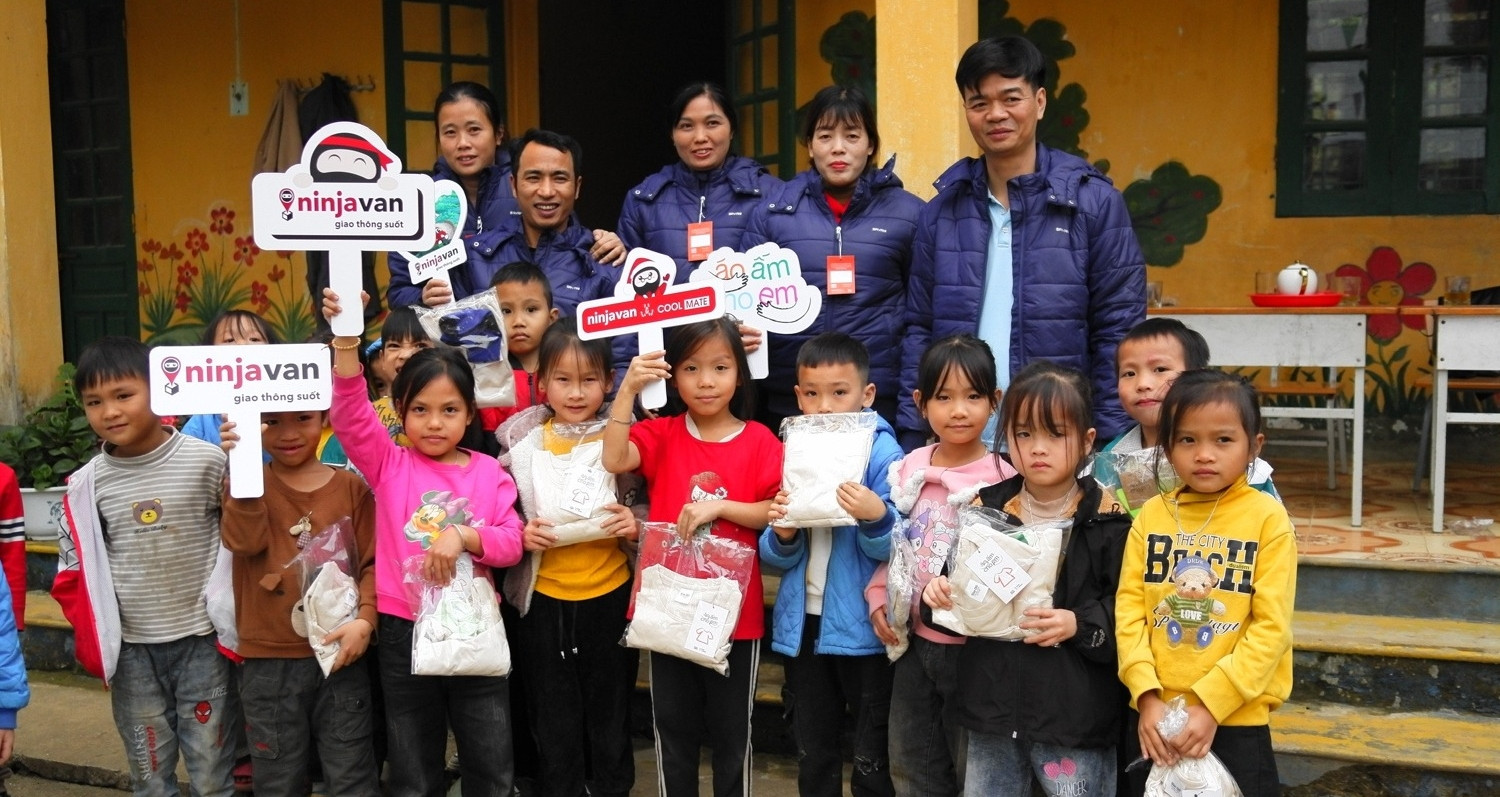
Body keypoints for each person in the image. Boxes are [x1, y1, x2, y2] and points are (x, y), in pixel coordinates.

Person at [901, 35, 1145, 450]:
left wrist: (1109, 436)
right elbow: (919, 329)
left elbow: (1118, 329)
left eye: (1010, 98)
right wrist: (913, 429)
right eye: (979, 103)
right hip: (963, 440)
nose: (996, 114)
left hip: (1056, 434)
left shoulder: (1092, 202)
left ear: (1040, 101)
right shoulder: (941, 212)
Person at [325, 295, 526, 797]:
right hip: (402, 628)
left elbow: (512, 544)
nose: (434, 422)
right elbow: (349, 414)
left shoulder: (489, 472)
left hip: (474, 625)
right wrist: (347, 340)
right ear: (399, 411)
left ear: (469, 413)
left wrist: (463, 535)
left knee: (490, 760)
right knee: (413, 766)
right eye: (420, 410)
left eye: (449, 410)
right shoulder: (389, 464)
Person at [922, 361, 1129, 797]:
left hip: (1074, 715)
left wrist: (1079, 623)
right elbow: (953, 588)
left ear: (1088, 440)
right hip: (992, 708)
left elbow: (1129, 609)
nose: (1038, 448)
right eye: (1024, 434)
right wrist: (935, 594)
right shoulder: (987, 508)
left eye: (1056, 434)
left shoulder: (1107, 519)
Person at [601, 316, 782, 797]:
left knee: (732, 736)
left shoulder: (762, 440)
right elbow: (615, 460)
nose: (705, 381)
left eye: (720, 367)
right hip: (668, 612)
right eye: (691, 368)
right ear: (672, 375)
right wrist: (627, 391)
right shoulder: (661, 433)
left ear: (739, 374)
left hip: (734, 617)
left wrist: (720, 506)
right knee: (674, 734)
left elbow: (776, 511)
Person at [51, 336, 238, 796]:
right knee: (148, 772)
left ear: (162, 393)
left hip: (202, 641)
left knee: (212, 770)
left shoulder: (208, 461)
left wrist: (241, 466)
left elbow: (242, 534)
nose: (109, 411)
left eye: (123, 395)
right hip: (132, 650)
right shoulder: (85, 485)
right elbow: (77, 568)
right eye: (94, 402)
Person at [1116, 370, 1296, 797]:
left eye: (1223, 440)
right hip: (1153, 720)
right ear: (1167, 446)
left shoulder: (1268, 520)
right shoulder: (1151, 518)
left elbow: (1271, 628)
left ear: (1254, 446)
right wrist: (1145, 695)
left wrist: (1213, 704)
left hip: (1235, 721)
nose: (1204, 455)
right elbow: (1129, 612)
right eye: (1187, 440)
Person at [496, 319, 642, 797]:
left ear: (608, 382)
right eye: (562, 379)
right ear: (542, 384)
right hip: (544, 601)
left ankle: (612, 788)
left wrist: (635, 522)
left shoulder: (625, 440)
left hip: (609, 595)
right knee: (553, 717)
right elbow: (502, 514)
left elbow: (649, 501)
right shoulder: (522, 446)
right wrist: (521, 533)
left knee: (611, 711)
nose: (576, 392)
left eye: (588, 380)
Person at [865, 334, 1015, 796]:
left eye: (973, 397)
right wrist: (878, 599)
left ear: (995, 402)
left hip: (975, 649)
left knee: (973, 765)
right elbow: (896, 544)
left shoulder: (1004, 476)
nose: (959, 410)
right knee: (911, 762)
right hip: (912, 643)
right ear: (920, 403)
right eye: (943, 397)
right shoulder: (909, 467)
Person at [759, 332, 901, 797]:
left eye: (840, 393)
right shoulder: (793, 448)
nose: (825, 407)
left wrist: (875, 516)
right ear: (798, 397)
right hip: (804, 625)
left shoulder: (882, 453)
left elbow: (898, 547)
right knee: (812, 749)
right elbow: (775, 555)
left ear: (866, 395)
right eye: (813, 395)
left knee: (870, 756)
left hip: (863, 627)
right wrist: (781, 533)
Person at [741, 86, 922, 431]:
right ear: (810, 145)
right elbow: (745, 304)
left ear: (870, 144)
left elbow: (922, 315)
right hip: (792, 398)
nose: (838, 147)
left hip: (877, 397)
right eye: (825, 136)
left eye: (852, 135)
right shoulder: (772, 214)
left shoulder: (909, 214)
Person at [218, 408, 379, 796]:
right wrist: (242, 469)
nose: (288, 433)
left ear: (324, 418)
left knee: (352, 771)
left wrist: (366, 620)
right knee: (277, 777)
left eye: (303, 418)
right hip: (267, 659)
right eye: (272, 422)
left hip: (341, 654)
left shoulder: (350, 488)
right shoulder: (246, 483)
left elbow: (373, 563)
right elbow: (244, 542)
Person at [387, 82, 624, 310]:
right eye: (450, 132)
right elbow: (398, 291)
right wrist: (422, 297)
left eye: (474, 130)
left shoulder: (527, 185)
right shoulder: (423, 201)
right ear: (438, 138)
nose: (463, 143)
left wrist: (604, 241)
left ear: (499, 134)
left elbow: (566, 244)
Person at [1098, 318, 1280, 509]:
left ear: (1196, 377)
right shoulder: (1111, 459)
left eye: (1160, 369)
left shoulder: (1239, 461)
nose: (1143, 384)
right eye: (1129, 373)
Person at [618, 82, 782, 281]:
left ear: (732, 129)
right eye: (686, 126)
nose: (700, 137)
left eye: (712, 123)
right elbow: (626, 285)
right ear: (672, 134)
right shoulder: (642, 201)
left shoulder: (772, 194)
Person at [459, 129, 622, 317]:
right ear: (513, 185)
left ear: (577, 187)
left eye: (559, 178)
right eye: (534, 178)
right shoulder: (474, 258)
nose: (546, 191)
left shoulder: (604, 261)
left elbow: (621, 345)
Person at [181, 310, 281, 448]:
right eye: (229, 340)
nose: (242, 346)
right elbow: (188, 464)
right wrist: (221, 457)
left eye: (254, 339)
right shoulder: (202, 421)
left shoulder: (285, 410)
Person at [485, 261, 561, 431]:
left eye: (531, 309)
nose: (518, 322)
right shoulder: (488, 374)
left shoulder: (564, 368)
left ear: (552, 318)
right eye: (506, 311)